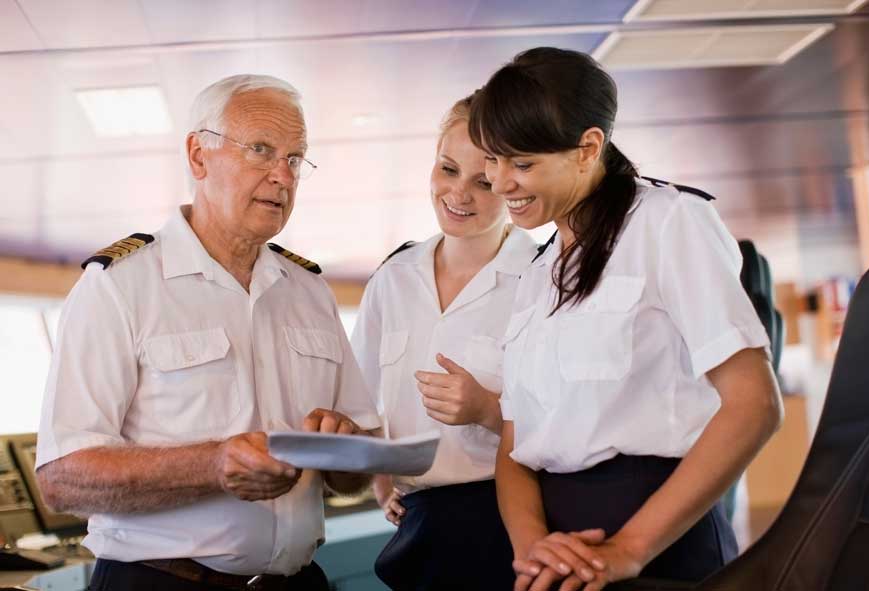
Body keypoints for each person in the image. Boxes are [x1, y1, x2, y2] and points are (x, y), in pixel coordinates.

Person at [35, 74, 380, 591]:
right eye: (261, 150)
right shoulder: (119, 286)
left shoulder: (309, 292)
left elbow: (355, 473)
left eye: (294, 158)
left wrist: (344, 449)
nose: (282, 177)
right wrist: (214, 464)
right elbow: (62, 479)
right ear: (198, 156)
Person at [469, 47, 784, 591]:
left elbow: (755, 404)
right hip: (556, 554)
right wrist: (532, 546)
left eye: (522, 164)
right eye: (492, 161)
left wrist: (629, 549)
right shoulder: (538, 274)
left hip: (660, 541)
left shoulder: (668, 222)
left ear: (588, 147)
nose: (499, 184)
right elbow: (516, 445)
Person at [350, 94, 537, 590]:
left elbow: (574, 425)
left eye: (483, 181)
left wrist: (488, 410)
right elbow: (362, 398)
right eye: (448, 169)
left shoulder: (544, 280)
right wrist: (382, 479)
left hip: (508, 520)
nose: (459, 194)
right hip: (419, 523)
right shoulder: (393, 277)